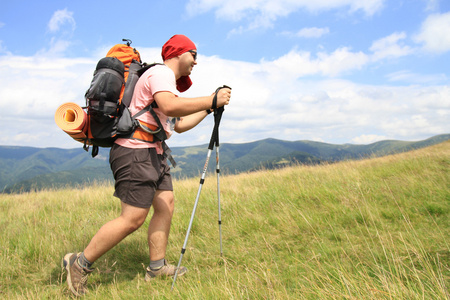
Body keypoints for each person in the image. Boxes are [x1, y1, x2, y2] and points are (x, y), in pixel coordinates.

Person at [63, 34, 231, 297]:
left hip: (153, 152)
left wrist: (208, 109)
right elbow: (170, 106)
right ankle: (79, 263)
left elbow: (179, 123)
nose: (196, 62)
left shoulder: (166, 82)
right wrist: (211, 100)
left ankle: (156, 267)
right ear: (178, 52)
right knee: (133, 218)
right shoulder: (160, 74)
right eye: (194, 54)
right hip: (135, 153)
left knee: (166, 204)